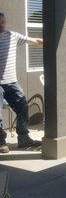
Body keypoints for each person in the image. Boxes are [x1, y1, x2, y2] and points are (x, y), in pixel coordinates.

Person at [0, 12, 43, 153]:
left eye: (3, 22)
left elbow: (34, 41)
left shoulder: (12, 36)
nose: (2, 24)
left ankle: (24, 138)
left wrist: (50, 41)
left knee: (23, 107)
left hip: (12, 82)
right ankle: (1, 142)